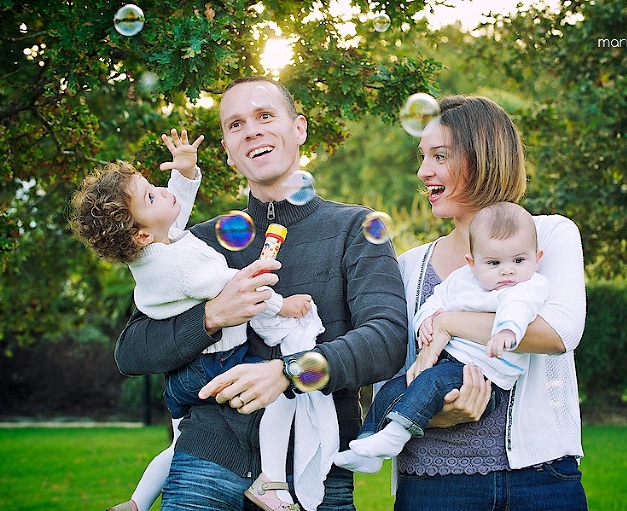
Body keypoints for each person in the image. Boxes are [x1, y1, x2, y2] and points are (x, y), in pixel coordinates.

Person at [113, 76, 409, 511]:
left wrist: (288, 373)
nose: (251, 130)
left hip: (313, 477)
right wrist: (211, 316)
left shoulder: (354, 230)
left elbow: (386, 339)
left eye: (265, 116)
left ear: (299, 129)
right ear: (230, 155)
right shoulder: (196, 243)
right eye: (236, 125)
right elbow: (132, 351)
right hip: (205, 463)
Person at [69, 129, 334, 511]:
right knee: (283, 387)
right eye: (150, 195)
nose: (162, 191)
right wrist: (284, 305)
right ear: (142, 233)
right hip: (215, 364)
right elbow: (240, 289)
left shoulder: (153, 249)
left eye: (154, 185)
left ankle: (135, 503)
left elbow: (175, 207)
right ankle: (269, 482)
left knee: (178, 445)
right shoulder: (181, 263)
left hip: (183, 377)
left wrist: (185, 172)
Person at [385, 95, 588, 510]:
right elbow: (393, 376)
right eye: (422, 157)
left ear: (484, 157)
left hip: (541, 478)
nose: (424, 172)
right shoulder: (409, 266)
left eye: (439, 156)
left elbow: (558, 332)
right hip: (432, 483)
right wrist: (425, 412)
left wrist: (449, 323)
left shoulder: (549, 235)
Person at [334, 201, 548, 472]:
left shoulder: (527, 285)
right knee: (393, 388)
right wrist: (426, 321)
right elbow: (437, 301)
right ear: (472, 262)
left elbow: (519, 309)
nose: (507, 270)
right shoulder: (463, 280)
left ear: (536, 258)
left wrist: (506, 331)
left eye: (519, 260)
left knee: (432, 381)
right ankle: (368, 445)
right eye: (493, 262)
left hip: (485, 377)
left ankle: (395, 436)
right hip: (447, 364)